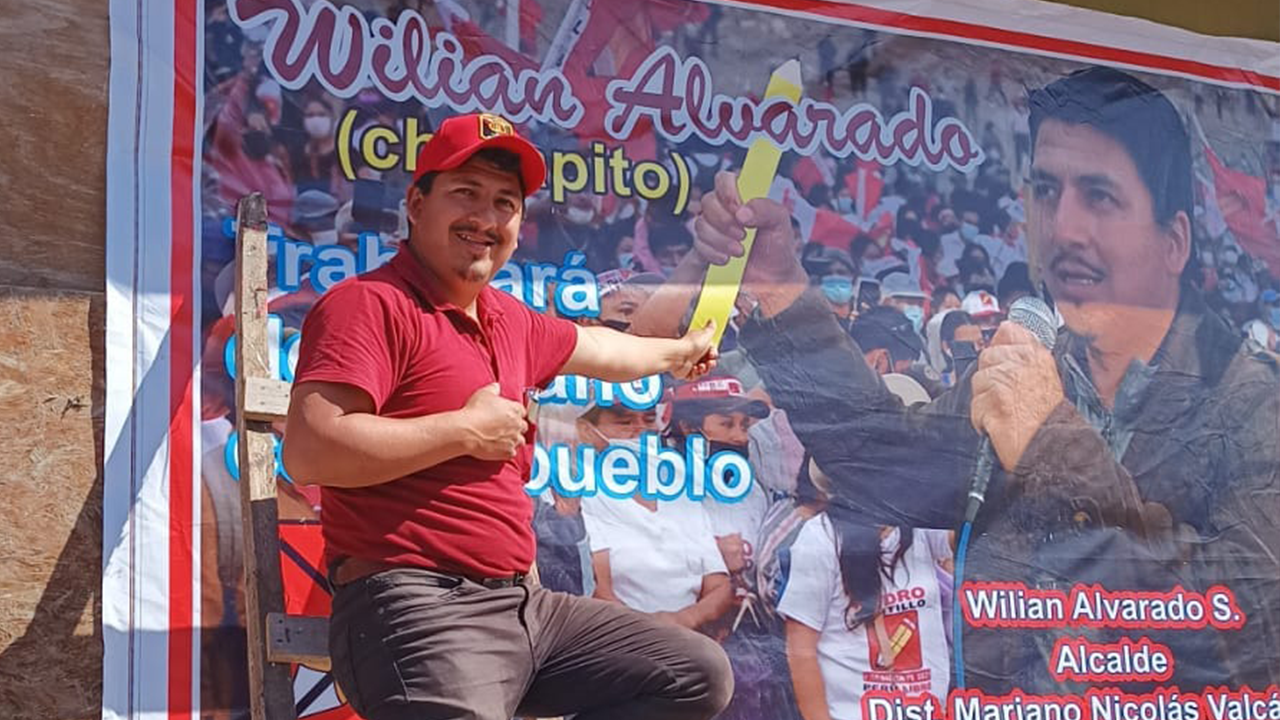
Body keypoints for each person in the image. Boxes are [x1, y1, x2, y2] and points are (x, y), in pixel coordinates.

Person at [689, 66, 1280, 690]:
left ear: (1174, 242)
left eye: (1100, 197)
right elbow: (883, 463)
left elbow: (1247, 626)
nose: (1062, 229)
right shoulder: (1034, 367)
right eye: (1047, 192)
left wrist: (1050, 443)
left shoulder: (1253, 402)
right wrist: (781, 288)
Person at [283, 112, 733, 720]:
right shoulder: (368, 304)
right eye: (466, 193)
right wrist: (462, 430)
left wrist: (678, 354)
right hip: (417, 605)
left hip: (526, 608)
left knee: (695, 673)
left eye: (505, 203)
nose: (486, 218)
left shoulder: (508, 318)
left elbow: (603, 349)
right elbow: (310, 451)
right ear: (416, 204)